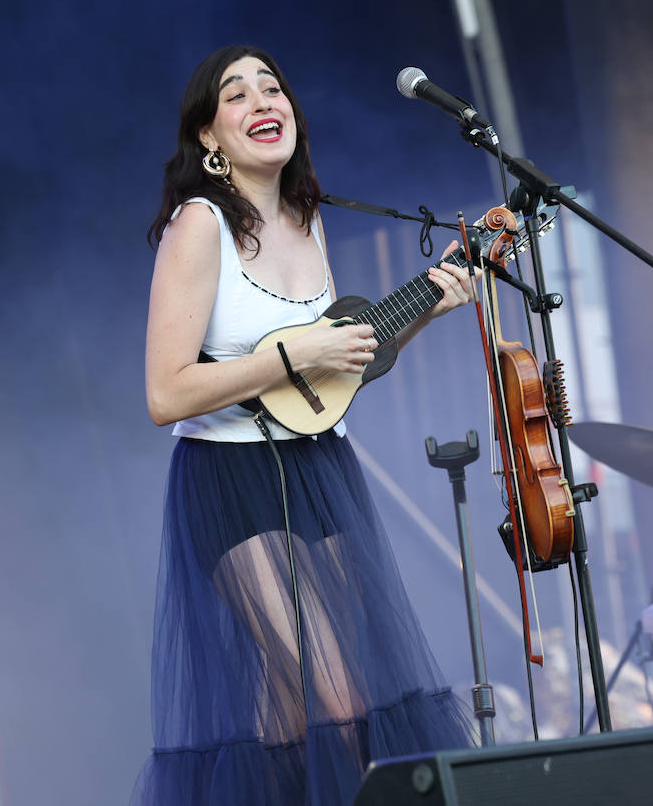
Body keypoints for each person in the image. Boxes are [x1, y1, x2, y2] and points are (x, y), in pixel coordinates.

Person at [131, 45, 476, 804]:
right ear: (208, 139)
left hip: (319, 468)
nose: (262, 100)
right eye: (236, 94)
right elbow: (166, 391)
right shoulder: (200, 225)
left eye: (273, 86)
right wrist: (297, 352)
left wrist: (424, 311)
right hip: (234, 478)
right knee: (338, 695)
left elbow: (329, 378)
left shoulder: (308, 221)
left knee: (291, 709)